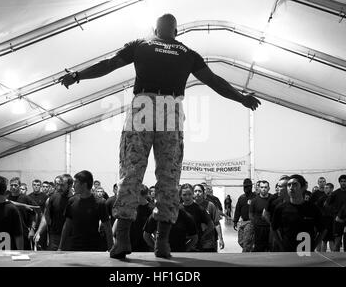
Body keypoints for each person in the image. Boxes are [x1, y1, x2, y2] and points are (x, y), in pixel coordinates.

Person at [59, 13, 260, 259]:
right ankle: (162, 243)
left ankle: (122, 240)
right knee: (169, 176)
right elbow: (214, 81)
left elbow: (108, 64)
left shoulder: (141, 44)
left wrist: (78, 75)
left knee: (131, 173)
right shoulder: (187, 52)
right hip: (171, 108)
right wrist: (242, 98)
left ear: (155, 28)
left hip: (143, 104)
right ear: (177, 31)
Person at [59, 171, 113, 251]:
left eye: (76, 182)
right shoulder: (72, 201)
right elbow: (67, 226)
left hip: (93, 248)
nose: (73, 186)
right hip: (74, 247)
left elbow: (107, 228)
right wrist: (60, 247)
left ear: (84, 184)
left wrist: (111, 248)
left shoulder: (100, 203)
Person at [271, 174, 326, 252]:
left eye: (295, 184)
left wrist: (313, 246)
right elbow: (273, 228)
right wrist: (281, 245)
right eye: (289, 185)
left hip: (306, 253)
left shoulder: (313, 208)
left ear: (303, 188)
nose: (291, 187)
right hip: (287, 253)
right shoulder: (280, 208)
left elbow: (322, 230)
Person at [35, 174, 73, 251]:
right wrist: (39, 232)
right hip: (54, 237)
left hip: (71, 238)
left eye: (62, 185)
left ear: (70, 185)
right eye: (58, 185)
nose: (59, 188)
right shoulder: (52, 198)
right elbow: (46, 217)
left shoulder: (75, 200)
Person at [179, 183, 213, 252]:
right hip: (180, 245)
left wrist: (202, 235)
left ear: (193, 194)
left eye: (189, 194)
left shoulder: (199, 209)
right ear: (180, 195)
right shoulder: (178, 209)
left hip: (195, 246)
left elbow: (211, 225)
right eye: (184, 195)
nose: (187, 197)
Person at [7, 177, 38, 250]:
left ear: (19, 186)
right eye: (11, 185)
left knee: (23, 254)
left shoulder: (26, 198)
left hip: (23, 232)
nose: (13, 187)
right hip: (9, 232)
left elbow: (35, 214)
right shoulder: (7, 198)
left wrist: (32, 230)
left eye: (15, 185)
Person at [193, 184, 224, 251]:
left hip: (208, 242)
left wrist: (221, 239)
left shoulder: (210, 205)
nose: (197, 193)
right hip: (194, 242)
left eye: (199, 191)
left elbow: (217, 223)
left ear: (203, 193)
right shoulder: (190, 205)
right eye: (195, 191)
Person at [263, 175, 289, 251]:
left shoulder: (294, 201)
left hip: (289, 232)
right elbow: (265, 213)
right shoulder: (274, 199)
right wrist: (273, 224)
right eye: (279, 186)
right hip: (276, 230)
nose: (279, 188)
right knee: (276, 248)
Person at [327, 174, 346, 251]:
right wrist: (335, 213)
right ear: (339, 182)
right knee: (337, 243)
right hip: (338, 220)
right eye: (341, 181)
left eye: (345, 181)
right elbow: (327, 205)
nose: (343, 183)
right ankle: (336, 258)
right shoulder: (335, 193)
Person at [233, 178, 256, 252]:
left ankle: (245, 256)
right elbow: (237, 210)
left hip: (250, 222)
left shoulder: (255, 197)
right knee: (241, 241)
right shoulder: (241, 198)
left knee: (246, 242)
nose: (245, 188)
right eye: (244, 187)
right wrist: (235, 221)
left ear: (251, 187)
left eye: (247, 186)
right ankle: (250, 249)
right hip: (242, 222)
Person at [130, 185, 153, 252]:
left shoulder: (151, 209)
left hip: (145, 245)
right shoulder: (132, 207)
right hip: (131, 243)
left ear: (145, 195)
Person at [250, 180, 271, 251]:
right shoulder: (254, 201)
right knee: (259, 248)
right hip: (259, 229)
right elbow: (251, 214)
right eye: (262, 187)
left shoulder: (273, 199)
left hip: (270, 228)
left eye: (265, 187)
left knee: (271, 248)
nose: (264, 189)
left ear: (269, 188)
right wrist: (255, 224)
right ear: (259, 188)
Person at [28, 179, 48, 250]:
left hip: (42, 224)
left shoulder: (45, 197)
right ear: (32, 186)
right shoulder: (29, 197)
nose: (36, 187)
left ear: (40, 186)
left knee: (41, 245)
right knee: (31, 245)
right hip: (32, 224)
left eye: (38, 185)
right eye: (34, 185)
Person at [316, 182, 335, 252]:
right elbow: (317, 208)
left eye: (327, 188)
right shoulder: (321, 198)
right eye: (325, 188)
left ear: (332, 189)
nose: (326, 189)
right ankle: (323, 256)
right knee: (324, 240)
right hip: (324, 221)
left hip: (332, 221)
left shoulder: (335, 197)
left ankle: (334, 256)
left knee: (332, 240)